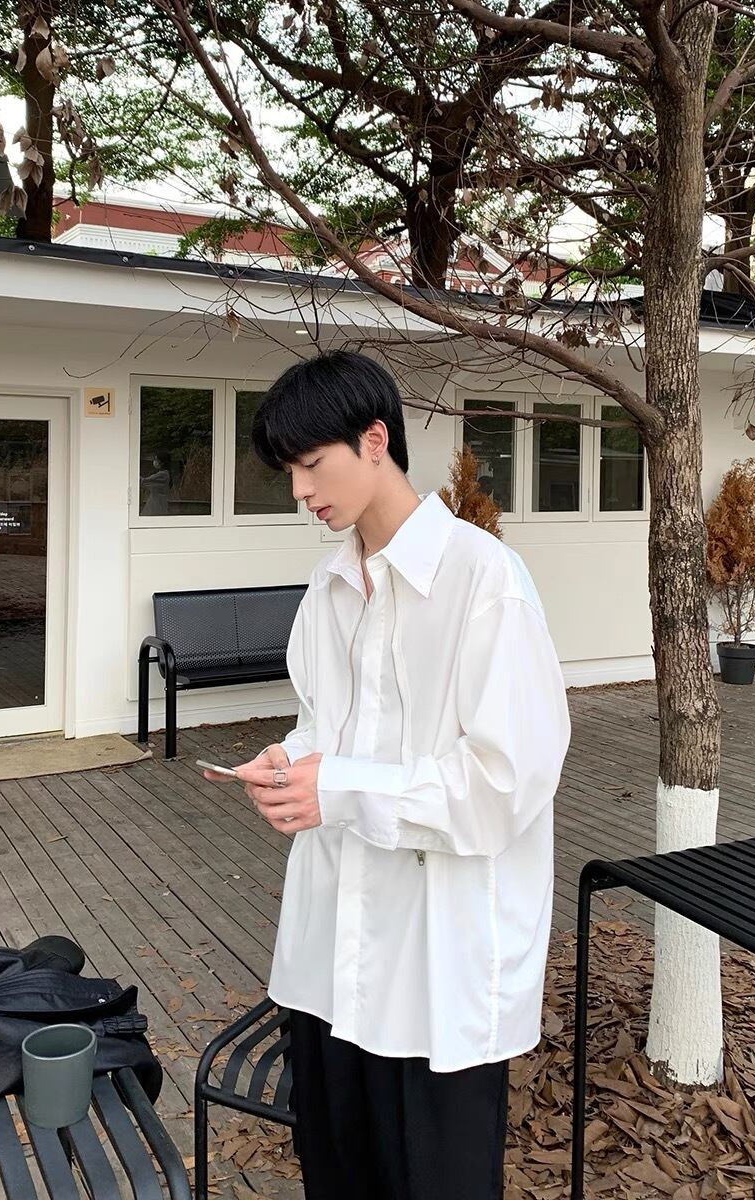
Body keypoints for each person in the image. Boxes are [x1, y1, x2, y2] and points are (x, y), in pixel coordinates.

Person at [204, 350, 570, 1200]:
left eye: (311, 463)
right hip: (328, 957)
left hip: (437, 968)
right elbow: (327, 725)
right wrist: (290, 760)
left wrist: (339, 788)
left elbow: (506, 782)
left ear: (376, 440)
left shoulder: (483, 581)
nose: (301, 490)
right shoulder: (328, 587)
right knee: (337, 1175)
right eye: (289, 472)